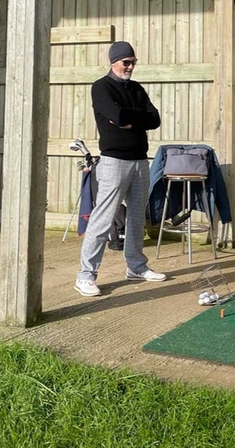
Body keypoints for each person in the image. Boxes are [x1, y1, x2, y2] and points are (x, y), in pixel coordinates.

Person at [74, 41, 166, 297]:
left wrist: (129, 119)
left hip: (140, 161)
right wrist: (133, 118)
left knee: (137, 219)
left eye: (133, 62)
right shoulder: (101, 87)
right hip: (114, 162)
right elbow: (118, 115)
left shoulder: (136, 88)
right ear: (114, 61)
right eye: (126, 62)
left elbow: (154, 119)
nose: (130, 66)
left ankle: (136, 267)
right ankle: (85, 276)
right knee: (103, 219)